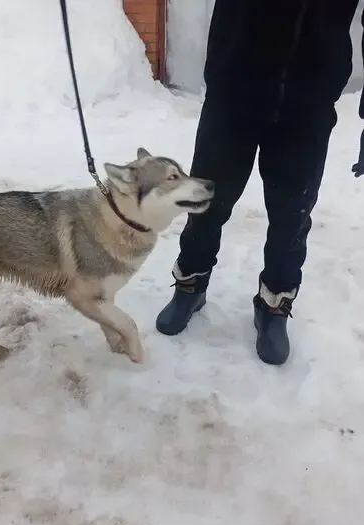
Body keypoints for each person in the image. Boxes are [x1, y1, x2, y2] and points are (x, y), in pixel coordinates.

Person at [156, 0, 364, 365]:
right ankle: (191, 282)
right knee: (207, 200)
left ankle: (274, 304)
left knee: (292, 215)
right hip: (233, 89)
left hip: (308, 102)